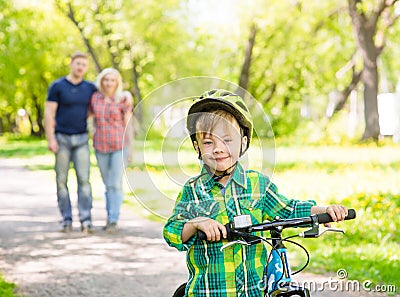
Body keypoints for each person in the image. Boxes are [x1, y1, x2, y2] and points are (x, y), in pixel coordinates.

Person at [163, 89, 349, 297]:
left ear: (243, 142)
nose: (218, 148)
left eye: (227, 140)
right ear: (197, 147)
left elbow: (289, 209)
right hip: (208, 292)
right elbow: (172, 231)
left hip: (253, 292)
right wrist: (196, 223)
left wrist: (325, 210)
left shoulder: (257, 185)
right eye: (208, 142)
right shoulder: (193, 190)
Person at [45, 51, 97, 233]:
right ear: (71, 64)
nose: (80, 67)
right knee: (61, 180)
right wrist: (50, 138)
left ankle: (86, 220)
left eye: (84, 64)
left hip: (82, 138)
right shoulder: (57, 86)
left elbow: (101, 103)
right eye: (78, 63)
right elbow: (49, 113)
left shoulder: (90, 88)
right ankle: (66, 219)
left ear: (86, 68)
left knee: (84, 180)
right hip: (62, 139)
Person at [89, 68, 133, 233]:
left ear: (117, 82)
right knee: (107, 184)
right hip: (100, 146)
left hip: (118, 146)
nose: (109, 83)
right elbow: (87, 116)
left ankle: (113, 219)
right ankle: (109, 217)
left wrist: (131, 148)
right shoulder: (94, 99)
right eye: (106, 79)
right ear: (101, 81)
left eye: (112, 80)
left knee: (115, 183)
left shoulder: (123, 99)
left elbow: (128, 124)